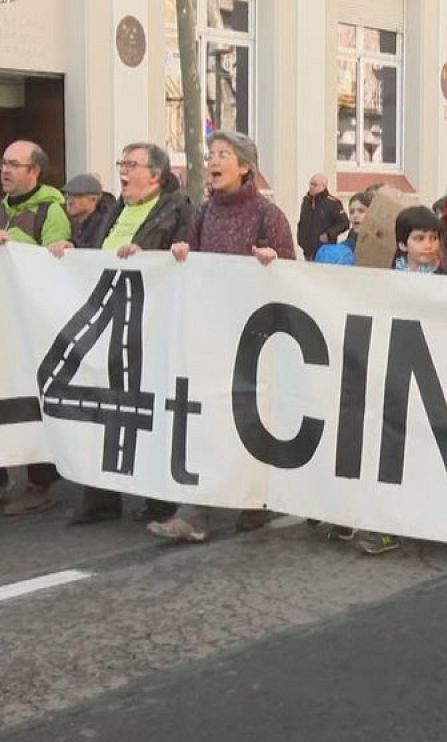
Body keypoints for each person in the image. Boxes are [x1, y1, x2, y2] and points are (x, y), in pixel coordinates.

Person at [152, 130, 296, 544]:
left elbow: (293, 274)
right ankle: (195, 512)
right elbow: (193, 260)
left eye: (224, 155)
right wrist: (182, 255)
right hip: (212, 332)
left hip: (254, 338)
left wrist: (274, 262)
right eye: (211, 154)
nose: (213, 162)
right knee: (208, 416)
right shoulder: (203, 213)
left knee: (250, 419)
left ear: (246, 166)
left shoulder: (270, 216)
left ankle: (255, 500)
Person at [67, 141, 193, 528]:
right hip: (108, 316)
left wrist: (151, 257)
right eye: (121, 162)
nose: (123, 170)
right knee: (101, 407)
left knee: (149, 410)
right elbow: (91, 249)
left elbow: (185, 257)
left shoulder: (179, 208)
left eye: (131, 164)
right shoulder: (115, 209)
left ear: (155, 174)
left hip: (150, 323)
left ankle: (159, 500)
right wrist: (69, 248)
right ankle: (101, 495)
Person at [0, 139, 73, 515]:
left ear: (34, 172)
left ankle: (42, 482)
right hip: (4, 316)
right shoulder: (0, 208)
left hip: (35, 322)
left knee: (36, 397)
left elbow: (57, 262)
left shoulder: (51, 210)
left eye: (14, 164)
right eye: (2, 163)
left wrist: (17, 244)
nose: (5, 170)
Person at [297, 173, 350, 260]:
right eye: (310, 184)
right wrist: (301, 240)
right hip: (307, 251)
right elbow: (302, 222)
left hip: (325, 251)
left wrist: (329, 234)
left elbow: (344, 223)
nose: (311, 187)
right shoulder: (306, 201)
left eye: (315, 185)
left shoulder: (332, 203)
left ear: (323, 186)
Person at [314, 190, 375, 264]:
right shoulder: (342, 251)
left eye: (361, 211)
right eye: (352, 212)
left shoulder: (388, 248)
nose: (355, 216)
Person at [59, 173, 115, 254]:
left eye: (77, 196)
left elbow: (94, 249)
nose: (70, 201)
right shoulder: (69, 218)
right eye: (68, 195)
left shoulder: (103, 223)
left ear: (93, 199)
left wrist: (73, 245)